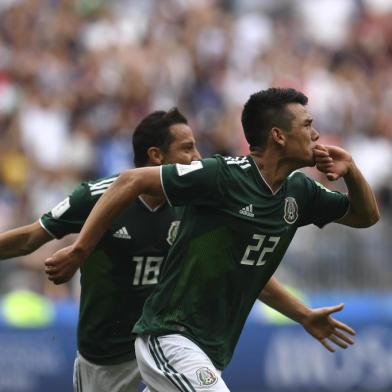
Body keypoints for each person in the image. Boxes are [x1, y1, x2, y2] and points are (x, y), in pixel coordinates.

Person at [44, 87, 380, 391]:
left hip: (212, 347)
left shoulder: (300, 191)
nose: (316, 133)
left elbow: (366, 217)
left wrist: (351, 171)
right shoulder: (222, 176)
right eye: (307, 124)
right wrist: (79, 250)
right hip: (170, 335)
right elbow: (129, 181)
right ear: (278, 135)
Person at [0, 108, 201, 392]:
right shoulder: (96, 197)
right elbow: (30, 238)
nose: (197, 158)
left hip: (165, 340)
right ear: (157, 155)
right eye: (188, 148)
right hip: (106, 353)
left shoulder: (194, 201)